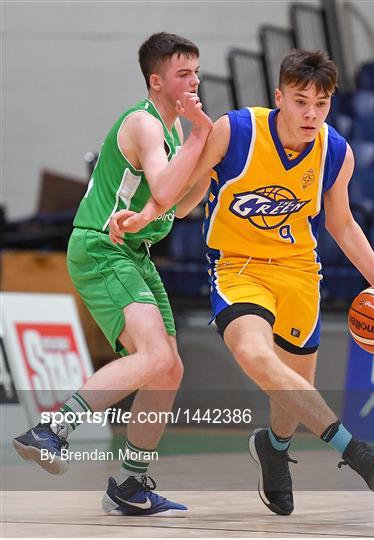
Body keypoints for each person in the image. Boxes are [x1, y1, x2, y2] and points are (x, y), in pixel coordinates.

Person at [110, 49, 374, 516]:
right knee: (255, 355)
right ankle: (356, 452)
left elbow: (343, 225)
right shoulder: (238, 131)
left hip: (298, 272)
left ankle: (274, 449)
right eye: (300, 101)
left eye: (321, 103)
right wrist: (147, 215)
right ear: (279, 98)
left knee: (290, 393)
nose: (311, 113)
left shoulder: (335, 151)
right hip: (237, 267)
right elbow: (187, 188)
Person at [12, 32, 213, 517]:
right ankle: (51, 430)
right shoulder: (144, 123)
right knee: (154, 354)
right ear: (156, 80)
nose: (194, 81)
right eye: (183, 73)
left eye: (197, 71)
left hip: (135, 253)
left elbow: (180, 207)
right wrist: (204, 136)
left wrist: (208, 164)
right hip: (105, 247)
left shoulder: (172, 132)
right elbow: (164, 186)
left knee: (170, 367)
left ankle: (130, 483)